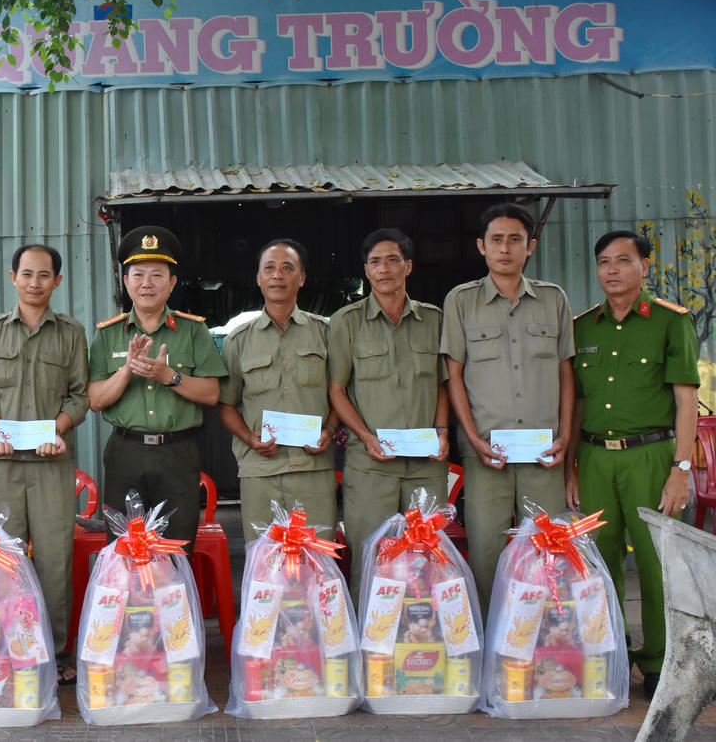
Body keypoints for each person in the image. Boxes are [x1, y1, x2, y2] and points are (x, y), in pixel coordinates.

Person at [566, 230, 699, 699]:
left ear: (645, 265)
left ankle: (660, 663)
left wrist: (681, 470)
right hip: (595, 457)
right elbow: (577, 402)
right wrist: (570, 466)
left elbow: (687, 401)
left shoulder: (669, 322)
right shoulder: (582, 326)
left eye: (624, 260)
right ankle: (612, 653)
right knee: (598, 562)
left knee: (655, 564)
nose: (612, 270)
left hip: (651, 456)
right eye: (604, 262)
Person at [441, 203, 575, 613]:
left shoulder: (553, 299)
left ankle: (546, 637)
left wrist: (566, 436)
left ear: (530, 246)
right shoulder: (461, 301)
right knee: (485, 551)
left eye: (515, 239)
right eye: (496, 240)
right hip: (487, 454)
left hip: (544, 452)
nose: (505, 248)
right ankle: (489, 643)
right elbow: (453, 375)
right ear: (481, 246)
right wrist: (474, 439)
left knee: (547, 548)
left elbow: (566, 373)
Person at [0, 244, 88, 682]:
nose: (35, 283)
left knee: (55, 560)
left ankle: (52, 654)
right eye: (27, 274)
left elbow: (80, 394)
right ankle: (5, 648)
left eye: (45, 275)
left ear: (57, 281)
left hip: (53, 463)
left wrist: (60, 427)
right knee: (3, 560)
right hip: (2, 464)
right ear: (13, 277)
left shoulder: (71, 333)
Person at [88, 226, 227, 550]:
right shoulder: (108, 335)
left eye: (156, 275)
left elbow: (211, 394)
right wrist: (126, 371)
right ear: (126, 282)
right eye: (137, 275)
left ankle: (177, 602)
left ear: (172, 282)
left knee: (177, 549)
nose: (146, 284)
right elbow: (95, 400)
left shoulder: (193, 331)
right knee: (124, 549)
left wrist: (170, 377)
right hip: (126, 453)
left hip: (177, 454)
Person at [328, 228, 450, 588]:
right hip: (371, 464)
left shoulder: (434, 319)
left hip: (426, 464)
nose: (384, 269)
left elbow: (443, 385)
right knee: (370, 554)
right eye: (375, 262)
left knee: (426, 557)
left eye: (393, 260)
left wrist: (443, 432)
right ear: (366, 271)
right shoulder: (346, 322)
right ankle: (369, 640)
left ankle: (423, 636)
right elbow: (337, 390)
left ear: (408, 267)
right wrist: (365, 437)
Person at [218, 238, 339, 542]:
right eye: (269, 268)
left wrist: (330, 430)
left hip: (313, 468)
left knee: (317, 558)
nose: (278, 275)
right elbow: (227, 405)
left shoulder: (326, 333)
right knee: (264, 561)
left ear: (302, 278)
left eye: (288, 268)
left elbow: (340, 393)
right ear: (258, 279)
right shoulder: (238, 340)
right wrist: (249, 439)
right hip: (261, 469)